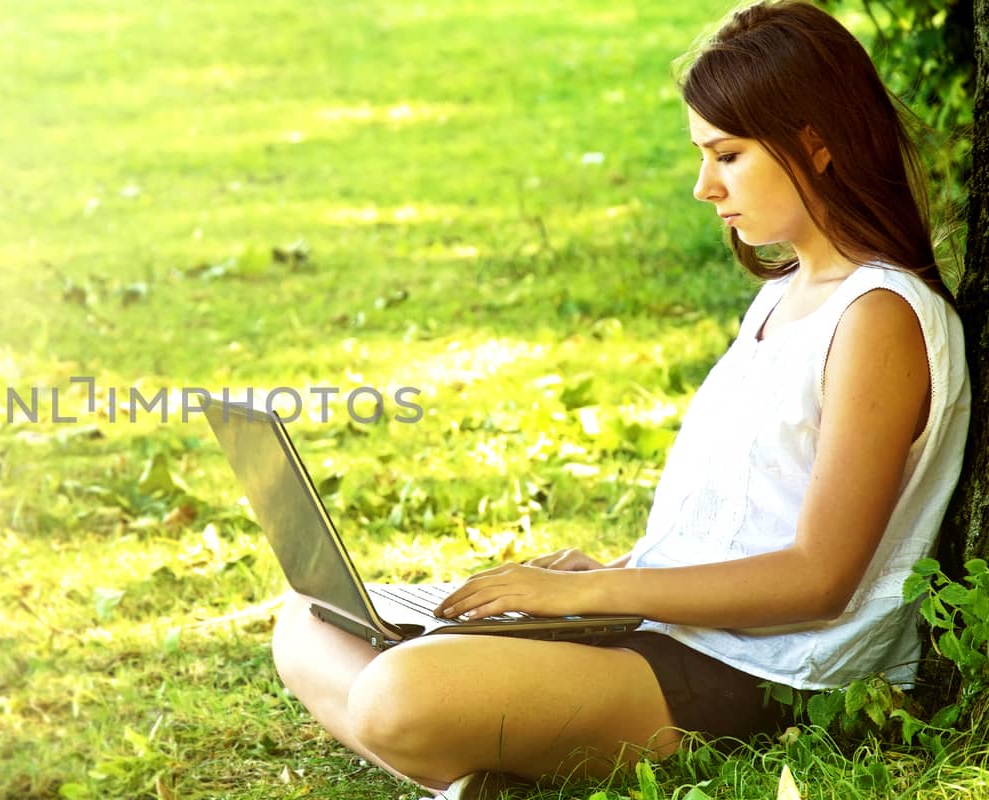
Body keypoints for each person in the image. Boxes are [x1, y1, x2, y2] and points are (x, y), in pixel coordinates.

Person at [268, 1, 971, 796]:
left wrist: (592, 593)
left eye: (729, 155)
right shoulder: (787, 293)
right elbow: (754, 511)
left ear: (816, 144)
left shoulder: (881, 317)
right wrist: (619, 570)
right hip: (678, 626)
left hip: (770, 671)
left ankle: (470, 758)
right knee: (307, 620)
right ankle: (479, 767)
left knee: (395, 694)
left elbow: (819, 578)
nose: (706, 186)